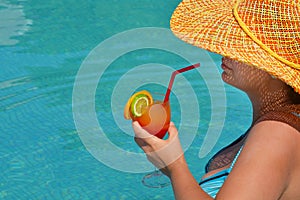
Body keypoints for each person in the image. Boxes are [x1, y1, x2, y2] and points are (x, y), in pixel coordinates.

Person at [133, 0, 300, 199]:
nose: (225, 51)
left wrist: (175, 167)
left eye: (241, 45)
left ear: (274, 70)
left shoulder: (277, 133)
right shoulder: (278, 123)